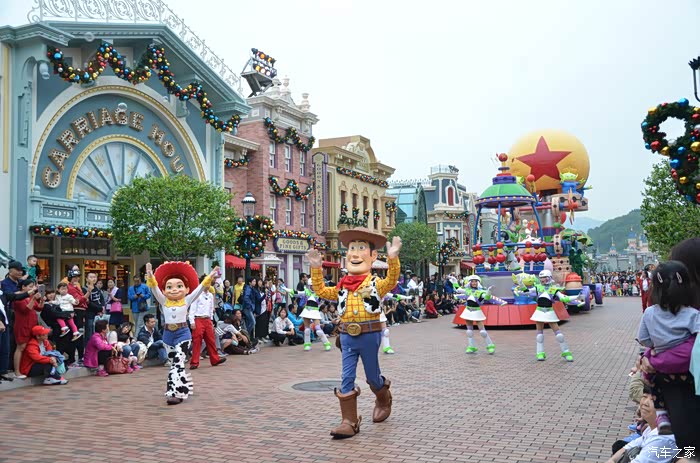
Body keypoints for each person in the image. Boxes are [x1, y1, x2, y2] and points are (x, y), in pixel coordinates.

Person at [306, 226, 401, 439]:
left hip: (369, 335)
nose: (355, 254)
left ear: (373, 255)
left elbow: (391, 281)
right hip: (347, 336)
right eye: (351, 248)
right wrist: (316, 268)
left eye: (360, 248)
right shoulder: (342, 286)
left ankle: (383, 398)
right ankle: (349, 421)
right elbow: (321, 291)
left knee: (372, 376)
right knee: (346, 376)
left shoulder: (375, 283)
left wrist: (393, 259)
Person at [636, 261, 699, 436]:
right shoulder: (693, 314)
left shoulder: (649, 313)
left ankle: (661, 415)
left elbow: (643, 338)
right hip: (686, 375)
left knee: (650, 380)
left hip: (660, 373)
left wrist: (653, 348)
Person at [145, 261, 219, 405]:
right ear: (164, 290)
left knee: (178, 362)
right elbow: (154, 288)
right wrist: (149, 274)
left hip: (183, 334)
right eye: (169, 287)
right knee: (173, 363)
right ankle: (182, 387)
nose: (174, 290)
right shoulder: (163, 300)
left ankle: (175, 393)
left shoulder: (187, 299)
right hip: (167, 335)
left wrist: (211, 274)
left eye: (179, 286)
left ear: (186, 289)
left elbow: (200, 288)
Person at [513, 270, 583, 362]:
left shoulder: (553, 289)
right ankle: (540, 353)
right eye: (541, 278)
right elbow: (527, 292)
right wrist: (521, 283)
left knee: (559, 335)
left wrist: (575, 297)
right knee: (539, 334)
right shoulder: (538, 287)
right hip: (539, 311)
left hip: (549, 312)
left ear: (549, 278)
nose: (542, 280)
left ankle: (566, 352)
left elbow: (563, 298)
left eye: (544, 278)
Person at [606, 387, 677, 463]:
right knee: (618, 446)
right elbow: (628, 447)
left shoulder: (662, 439)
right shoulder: (651, 428)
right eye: (644, 396)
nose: (645, 403)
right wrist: (612, 460)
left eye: (653, 400)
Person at [458, 275, 507, 355]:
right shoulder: (467, 290)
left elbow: (487, 297)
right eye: (472, 281)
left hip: (477, 311)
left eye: (475, 281)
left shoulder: (481, 292)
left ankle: (490, 346)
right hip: (468, 310)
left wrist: (489, 291)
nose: (474, 283)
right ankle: (471, 346)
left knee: (482, 331)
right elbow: (458, 291)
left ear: (478, 282)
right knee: (469, 331)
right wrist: (454, 282)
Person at [1, 261, 32, 381]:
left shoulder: (21, 282)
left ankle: (14, 368)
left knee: (17, 342)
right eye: (17, 270)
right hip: (9, 315)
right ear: (10, 270)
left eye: (21, 270)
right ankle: (8, 368)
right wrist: (25, 292)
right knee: (9, 342)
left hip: (23, 315)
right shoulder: (4, 283)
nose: (20, 272)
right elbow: (10, 296)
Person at [188, 274, 225, 370]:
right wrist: (192, 321)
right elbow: (192, 309)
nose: (208, 284)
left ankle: (215, 359)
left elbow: (211, 309)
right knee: (197, 341)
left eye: (209, 282)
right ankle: (194, 362)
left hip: (207, 319)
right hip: (198, 319)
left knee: (211, 340)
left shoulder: (210, 295)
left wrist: (211, 321)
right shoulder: (197, 295)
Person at [12, 279, 44, 380]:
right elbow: (25, 310)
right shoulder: (18, 297)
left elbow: (39, 308)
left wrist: (42, 300)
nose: (32, 288)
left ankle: (25, 368)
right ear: (23, 287)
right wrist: (33, 298)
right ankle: (17, 371)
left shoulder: (30, 296)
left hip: (32, 325)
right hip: (22, 326)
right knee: (21, 347)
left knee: (29, 347)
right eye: (30, 286)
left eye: (33, 286)